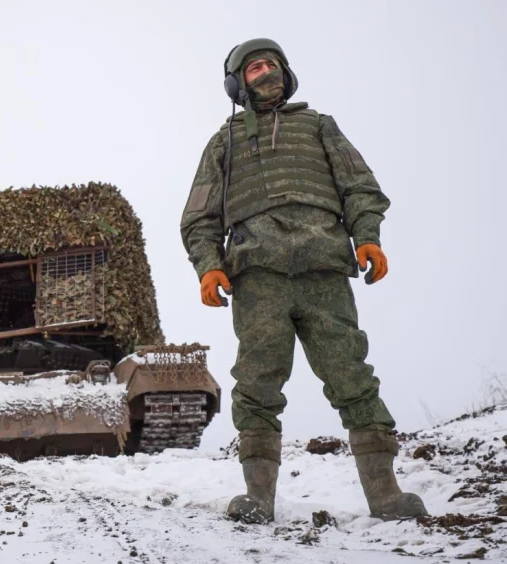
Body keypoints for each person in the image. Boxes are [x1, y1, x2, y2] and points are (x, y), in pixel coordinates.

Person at [180, 38, 427, 523]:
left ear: (287, 72)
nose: (265, 71)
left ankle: (386, 497)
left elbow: (359, 186)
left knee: (352, 377)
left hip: (324, 269)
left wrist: (368, 238)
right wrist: (208, 265)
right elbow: (199, 217)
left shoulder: (318, 126)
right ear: (237, 84)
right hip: (258, 278)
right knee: (256, 384)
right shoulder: (223, 141)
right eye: (254, 67)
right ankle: (258, 498)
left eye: (271, 63)